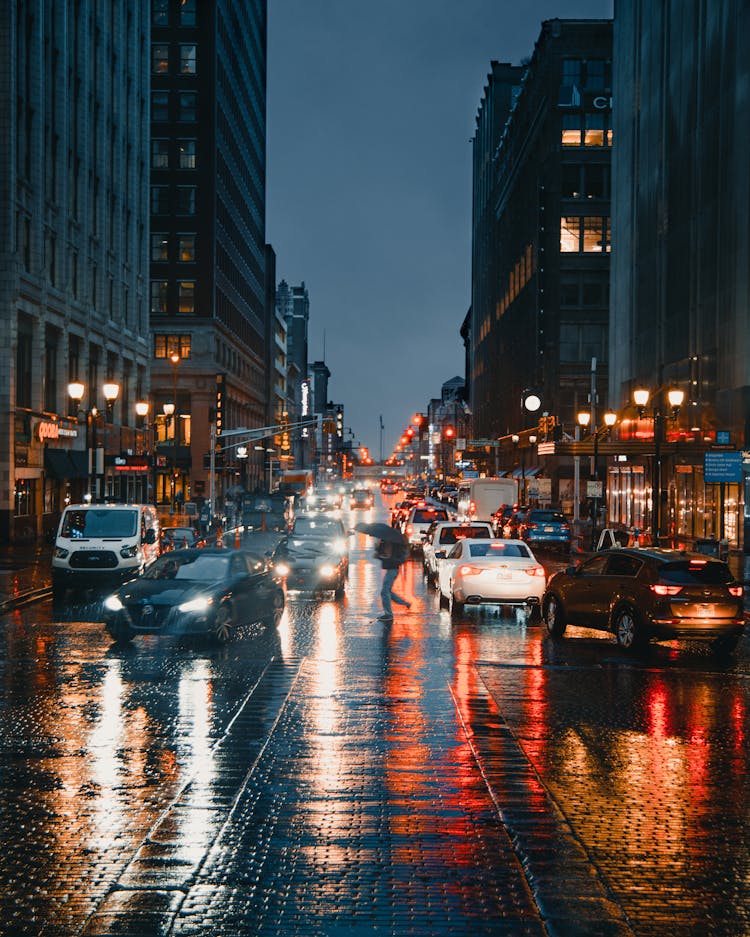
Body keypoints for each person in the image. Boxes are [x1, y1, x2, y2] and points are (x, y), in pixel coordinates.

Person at [375, 534, 411, 622]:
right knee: (388, 592)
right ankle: (405, 603)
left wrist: (379, 556)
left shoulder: (390, 545)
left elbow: (389, 559)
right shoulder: (390, 544)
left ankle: (388, 614)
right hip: (392, 570)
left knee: (385, 592)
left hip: (392, 570)